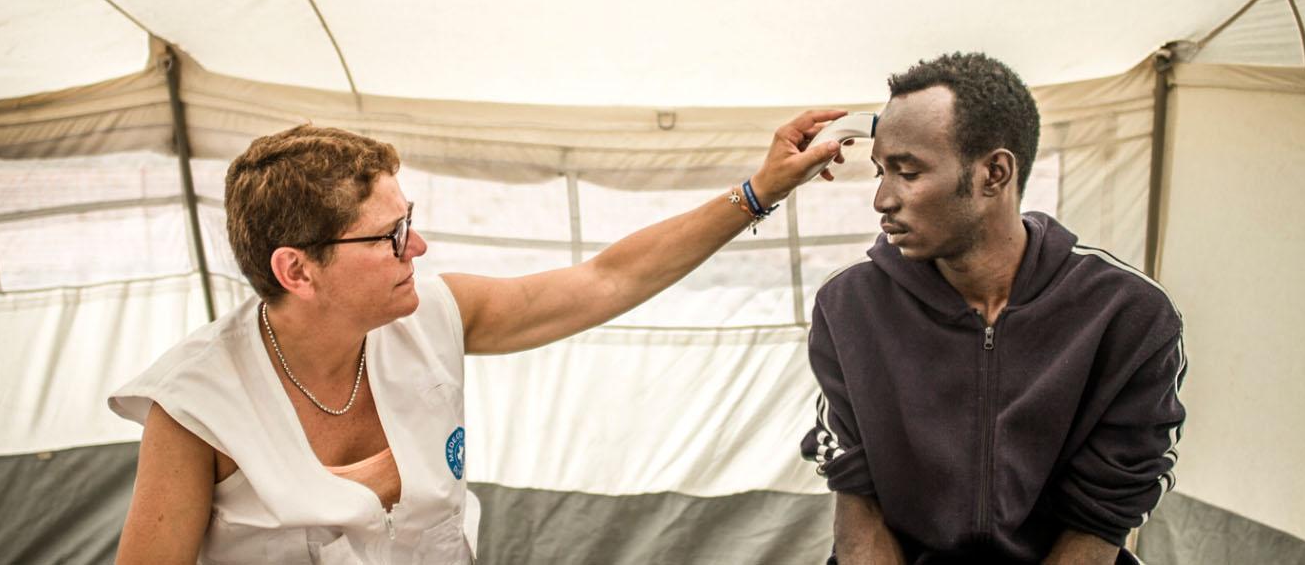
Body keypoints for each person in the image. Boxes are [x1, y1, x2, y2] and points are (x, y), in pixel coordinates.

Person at [109, 111, 849, 564]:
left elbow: (607, 280)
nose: (418, 247)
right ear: (297, 270)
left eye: (411, 219)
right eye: (391, 234)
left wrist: (759, 191)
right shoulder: (194, 408)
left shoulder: (433, 315)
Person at [797, 52, 1187, 564]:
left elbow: (1100, 523)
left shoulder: (1128, 316)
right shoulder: (849, 307)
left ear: (994, 173)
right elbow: (857, 501)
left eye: (907, 172)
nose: (882, 200)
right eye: (879, 172)